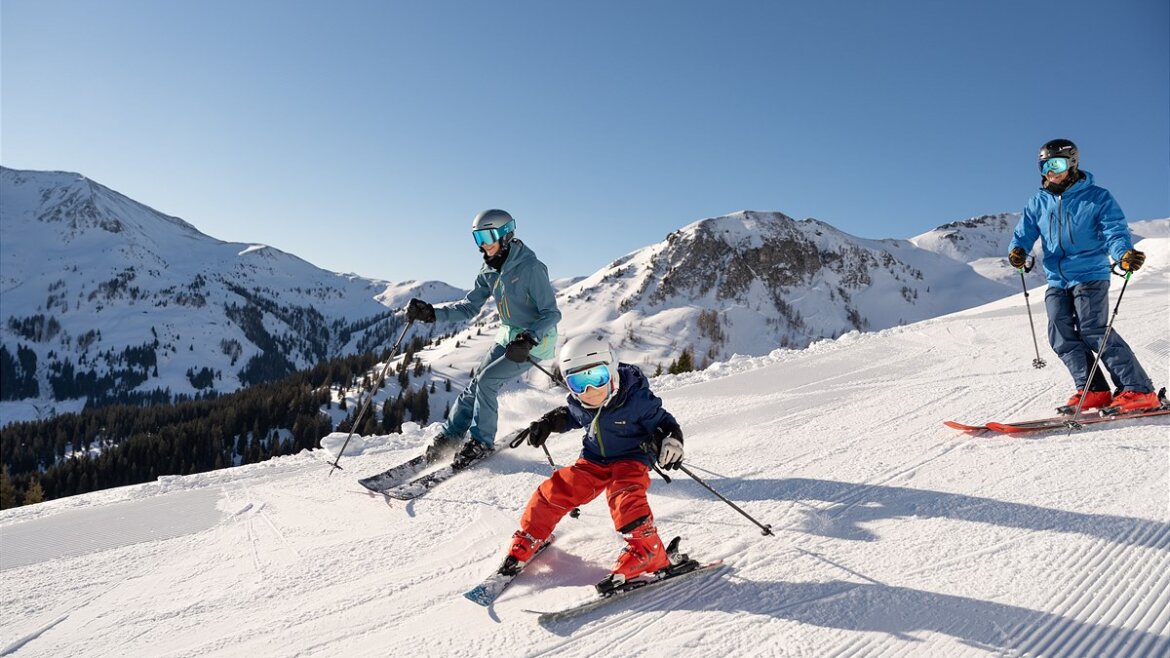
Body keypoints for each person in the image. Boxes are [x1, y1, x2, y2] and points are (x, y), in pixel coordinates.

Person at [495, 335, 686, 594]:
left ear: (612, 371)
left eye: (596, 378)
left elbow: (663, 422)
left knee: (624, 496)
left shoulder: (636, 399)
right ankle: (531, 536)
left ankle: (648, 551)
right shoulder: (580, 401)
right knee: (554, 491)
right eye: (578, 382)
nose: (589, 391)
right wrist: (548, 423)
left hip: (631, 459)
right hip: (593, 460)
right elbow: (570, 416)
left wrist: (671, 440)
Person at [1008, 138, 1157, 412]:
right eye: (1044, 166)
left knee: (1093, 329)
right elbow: (1024, 232)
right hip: (1056, 278)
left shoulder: (1097, 197)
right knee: (1060, 334)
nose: (1050, 171)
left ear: (1072, 163)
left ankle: (1138, 389)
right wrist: (1018, 250)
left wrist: (1123, 254)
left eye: (1057, 163)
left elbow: (1114, 230)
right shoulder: (1038, 202)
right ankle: (1093, 390)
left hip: (1090, 273)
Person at [405, 209, 561, 468]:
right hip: (508, 336)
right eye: (478, 238)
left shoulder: (531, 268)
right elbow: (469, 307)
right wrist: (432, 313)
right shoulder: (489, 269)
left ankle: (481, 442)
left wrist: (530, 337)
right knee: (476, 384)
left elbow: (551, 313)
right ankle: (451, 435)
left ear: (506, 234)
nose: (484, 244)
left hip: (534, 340)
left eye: (488, 236)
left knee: (488, 382)